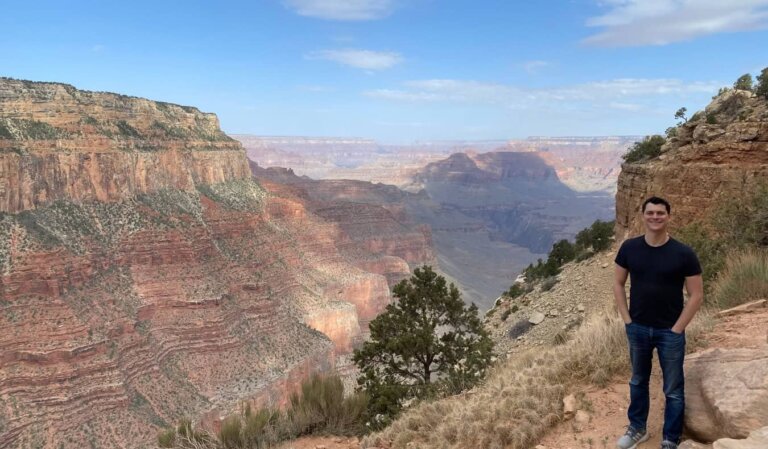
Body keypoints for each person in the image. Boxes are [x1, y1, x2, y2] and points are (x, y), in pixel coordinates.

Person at [613, 196, 704, 449]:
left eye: (660, 213)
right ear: (643, 215)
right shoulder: (629, 248)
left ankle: (670, 439)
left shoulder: (684, 253)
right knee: (638, 380)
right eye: (650, 213)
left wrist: (678, 328)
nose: (655, 217)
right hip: (638, 327)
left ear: (668, 216)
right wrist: (627, 319)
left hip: (669, 332)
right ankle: (637, 429)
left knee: (673, 388)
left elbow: (696, 294)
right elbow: (618, 283)